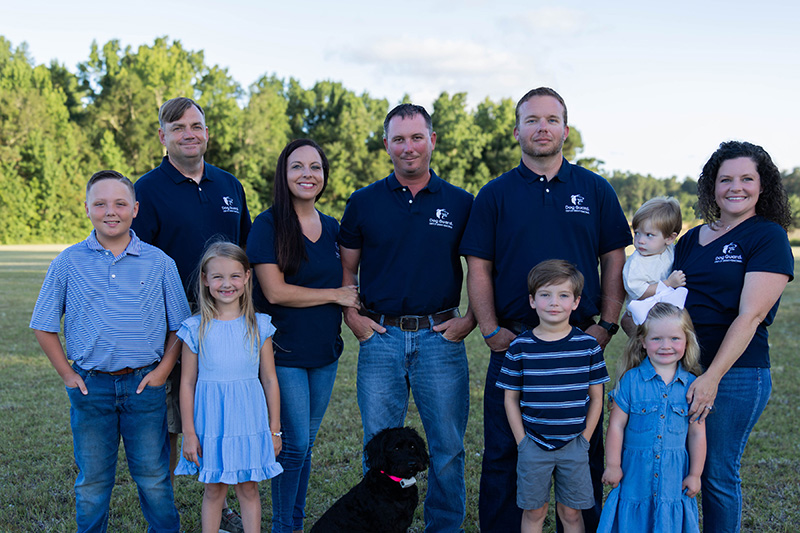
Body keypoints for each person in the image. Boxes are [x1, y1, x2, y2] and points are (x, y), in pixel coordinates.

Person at [460, 87, 632, 532]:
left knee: (584, 447)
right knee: (503, 451)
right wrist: (490, 329)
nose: (542, 128)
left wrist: (609, 324)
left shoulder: (595, 189)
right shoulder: (495, 194)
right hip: (515, 340)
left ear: (565, 130)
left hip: (579, 342)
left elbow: (614, 259)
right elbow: (478, 267)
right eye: (532, 120)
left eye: (551, 119)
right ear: (517, 130)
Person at [338, 103, 476, 532]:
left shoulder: (460, 203)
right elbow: (347, 270)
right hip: (380, 335)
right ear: (386, 145)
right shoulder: (362, 202)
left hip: (440, 337)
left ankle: (444, 527)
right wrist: (351, 315)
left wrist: (470, 319)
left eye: (417, 137)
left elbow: (482, 268)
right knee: (377, 446)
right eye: (399, 138)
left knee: (448, 446)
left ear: (432, 140)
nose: (409, 146)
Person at [30, 170, 190, 532]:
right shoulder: (68, 262)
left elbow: (181, 325)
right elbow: (43, 324)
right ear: (86, 208)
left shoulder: (160, 262)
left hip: (143, 386)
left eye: (120, 203)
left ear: (135, 208)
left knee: (153, 477)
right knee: (93, 482)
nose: (110, 211)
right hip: (91, 387)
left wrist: (163, 372)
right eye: (100, 203)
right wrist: (68, 375)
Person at [133, 96, 252, 532]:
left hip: (227, 331)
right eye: (178, 126)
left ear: (207, 132)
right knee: (169, 428)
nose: (189, 133)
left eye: (196, 125)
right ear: (162, 136)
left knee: (226, 419)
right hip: (167, 332)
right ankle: (162, 520)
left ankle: (225, 511)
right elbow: (136, 264)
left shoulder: (229, 186)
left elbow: (245, 255)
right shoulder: (145, 191)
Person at [673, 141, 793, 532]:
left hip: (736, 373)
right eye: (725, 179)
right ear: (712, 186)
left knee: (716, 472)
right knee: (678, 467)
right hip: (683, 366)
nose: (735, 187)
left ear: (763, 186)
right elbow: (671, 301)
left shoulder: (767, 237)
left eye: (746, 178)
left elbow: (752, 314)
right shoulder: (692, 239)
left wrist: (712, 378)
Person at [246, 139, 359, 533]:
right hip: (283, 353)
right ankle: (284, 527)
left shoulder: (332, 228)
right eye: (297, 166)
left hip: (325, 353)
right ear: (284, 174)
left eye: (315, 167)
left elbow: (353, 274)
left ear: (324, 175)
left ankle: (293, 521)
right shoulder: (268, 224)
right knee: (293, 446)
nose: (307, 174)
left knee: (305, 444)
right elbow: (274, 291)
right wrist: (334, 295)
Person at [174, 242, 283, 533]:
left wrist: (274, 430)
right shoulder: (194, 328)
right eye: (218, 276)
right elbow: (187, 383)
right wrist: (189, 432)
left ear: (247, 277)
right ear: (205, 280)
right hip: (212, 421)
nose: (226, 284)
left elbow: (270, 379)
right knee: (214, 490)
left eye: (234, 276)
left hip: (249, 420)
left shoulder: (259, 326)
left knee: (249, 489)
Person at [499, 260, 609, 533]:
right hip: (533, 444)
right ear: (532, 301)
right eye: (545, 295)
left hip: (574, 444)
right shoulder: (520, 346)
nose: (554, 302)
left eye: (563, 295)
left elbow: (596, 397)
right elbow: (510, 398)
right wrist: (522, 442)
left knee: (571, 513)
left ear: (575, 302)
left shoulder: (587, 346)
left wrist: (584, 440)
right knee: (534, 511)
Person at [598, 302, 706, 532]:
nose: (666, 346)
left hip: (673, 480)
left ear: (687, 341)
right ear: (643, 342)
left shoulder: (692, 385)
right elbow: (616, 425)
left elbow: (697, 434)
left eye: (674, 339)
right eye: (657, 339)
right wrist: (613, 465)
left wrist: (695, 474)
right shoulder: (630, 381)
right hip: (634, 477)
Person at [621, 197, 686, 336]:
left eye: (649, 235)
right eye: (637, 233)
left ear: (669, 238)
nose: (640, 241)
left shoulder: (671, 251)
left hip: (665, 314)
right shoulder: (635, 264)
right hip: (643, 318)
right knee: (644, 348)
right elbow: (639, 292)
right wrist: (668, 284)